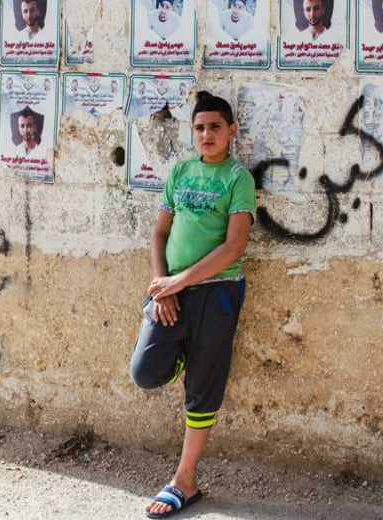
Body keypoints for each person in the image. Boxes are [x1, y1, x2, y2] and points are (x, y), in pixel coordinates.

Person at [130, 91, 256, 519]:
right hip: (171, 290)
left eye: (215, 127)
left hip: (218, 292)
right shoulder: (180, 172)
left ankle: (185, 480)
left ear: (231, 131)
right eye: (200, 127)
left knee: (203, 390)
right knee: (145, 372)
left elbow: (234, 245)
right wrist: (160, 287)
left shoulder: (238, 178)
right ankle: (182, 354)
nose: (207, 134)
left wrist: (177, 283)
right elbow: (159, 233)